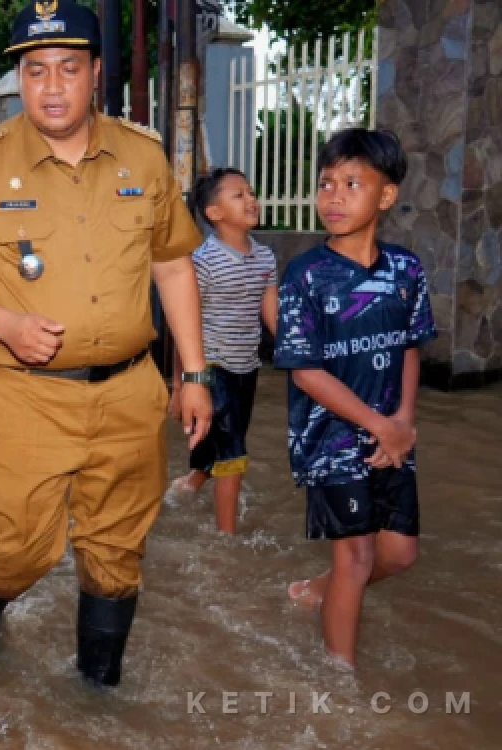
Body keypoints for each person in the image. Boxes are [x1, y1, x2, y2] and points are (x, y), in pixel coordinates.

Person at [0, 0, 212, 689]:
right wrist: (4, 323)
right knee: (22, 548)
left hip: (129, 390)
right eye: (35, 70)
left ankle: (96, 697)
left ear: (97, 74)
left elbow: (172, 264)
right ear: (21, 79)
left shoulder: (142, 155)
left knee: (117, 550)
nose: (51, 86)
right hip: (21, 395)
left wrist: (195, 372)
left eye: (68, 69)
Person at [274, 128, 435, 668]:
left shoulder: (406, 270)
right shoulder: (305, 276)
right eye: (325, 183)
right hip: (331, 439)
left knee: (399, 554)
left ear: (386, 196)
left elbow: (410, 346)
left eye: (351, 183)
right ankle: (340, 678)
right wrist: (378, 424)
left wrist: (403, 423)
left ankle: (322, 588)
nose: (333, 196)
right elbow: (305, 374)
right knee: (358, 555)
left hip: (391, 434)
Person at [167, 168, 278, 533]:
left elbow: (272, 316)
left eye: (251, 192)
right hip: (211, 363)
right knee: (232, 447)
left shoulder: (265, 259)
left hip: (246, 365)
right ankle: (226, 538)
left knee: (225, 428)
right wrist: (180, 384)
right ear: (214, 213)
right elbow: (186, 323)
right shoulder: (202, 261)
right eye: (238, 195)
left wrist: (306, 354)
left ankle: (196, 480)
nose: (251, 200)